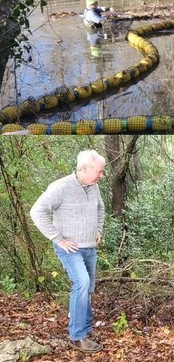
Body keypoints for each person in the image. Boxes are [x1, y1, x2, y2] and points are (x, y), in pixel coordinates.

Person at [30, 150, 106, 353]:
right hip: (70, 248)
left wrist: (99, 228)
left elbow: (101, 208)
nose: (102, 175)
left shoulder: (94, 186)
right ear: (84, 169)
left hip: (89, 246)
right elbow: (36, 211)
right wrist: (58, 238)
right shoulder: (61, 187)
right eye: (99, 171)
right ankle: (77, 336)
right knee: (81, 283)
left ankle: (86, 327)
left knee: (89, 288)